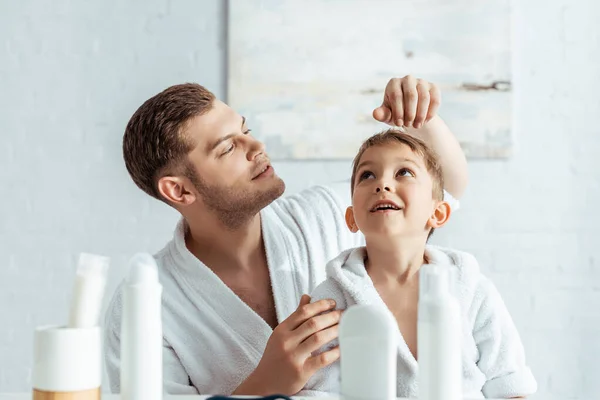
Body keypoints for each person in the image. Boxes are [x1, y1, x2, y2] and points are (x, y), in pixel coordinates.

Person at [103, 76, 469, 395]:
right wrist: (264, 385)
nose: (256, 147)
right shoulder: (144, 306)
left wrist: (423, 119)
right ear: (179, 191)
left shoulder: (322, 216)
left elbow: (443, 191)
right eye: (228, 147)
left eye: (244, 131)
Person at [304, 129, 537, 398]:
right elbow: (319, 392)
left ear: (438, 212)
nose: (383, 184)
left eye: (404, 172)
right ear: (351, 217)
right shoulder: (330, 300)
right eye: (367, 175)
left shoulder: (471, 289)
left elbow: (509, 384)